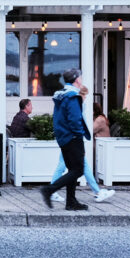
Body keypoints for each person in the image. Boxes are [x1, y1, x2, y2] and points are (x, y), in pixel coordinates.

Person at [40, 68, 92, 211]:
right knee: (78, 170)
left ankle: (71, 202)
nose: (81, 79)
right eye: (80, 77)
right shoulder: (73, 96)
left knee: (72, 169)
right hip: (73, 137)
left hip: (63, 137)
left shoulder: (62, 95)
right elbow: (75, 119)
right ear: (76, 79)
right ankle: (49, 190)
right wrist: (79, 134)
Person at [49, 101, 115, 204]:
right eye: (84, 96)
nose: (84, 98)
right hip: (72, 142)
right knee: (82, 167)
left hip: (67, 141)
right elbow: (80, 127)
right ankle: (97, 192)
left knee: (63, 166)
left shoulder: (67, 105)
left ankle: (52, 190)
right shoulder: (75, 105)